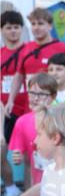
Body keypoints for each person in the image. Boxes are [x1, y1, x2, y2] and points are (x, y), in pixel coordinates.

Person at [5, 8, 65, 118]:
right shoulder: (26, 48)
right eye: (33, 24)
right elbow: (19, 76)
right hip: (30, 107)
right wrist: (11, 101)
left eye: (40, 24)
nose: (36, 27)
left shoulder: (62, 48)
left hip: (54, 106)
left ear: (50, 26)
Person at [1, 10, 29, 143]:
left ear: (21, 29)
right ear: (2, 30)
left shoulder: (29, 51)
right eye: (8, 27)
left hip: (26, 108)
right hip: (4, 110)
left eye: (16, 27)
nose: (13, 31)